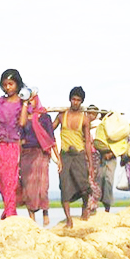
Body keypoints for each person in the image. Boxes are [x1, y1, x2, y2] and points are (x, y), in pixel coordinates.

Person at [52, 86, 93, 228]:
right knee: (64, 186)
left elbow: (87, 142)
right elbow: (50, 129)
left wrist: (91, 164)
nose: (75, 102)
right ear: (70, 99)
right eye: (73, 99)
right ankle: (68, 218)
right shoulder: (61, 116)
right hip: (65, 156)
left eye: (78, 100)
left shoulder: (85, 119)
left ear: (81, 102)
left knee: (84, 185)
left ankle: (85, 206)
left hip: (79, 155)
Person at [18, 91, 60, 225]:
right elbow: (20, 137)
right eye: (27, 101)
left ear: (36, 100)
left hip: (41, 153)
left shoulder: (44, 117)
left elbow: (51, 138)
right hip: (26, 154)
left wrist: (58, 159)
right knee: (28, 185)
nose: (30, 103)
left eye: (32, 100)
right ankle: (31, 217)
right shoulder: (23, 117)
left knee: (43, 185)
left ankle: (45, 213)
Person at [0, 69, 29, 219]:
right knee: (0, 178)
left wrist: (26, 104)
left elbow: (22, 122)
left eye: (11, 84)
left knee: (10, 178)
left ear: (17, 84)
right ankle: (7, 207)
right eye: (5, 85)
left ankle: (10, 211)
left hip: (13, 144)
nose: (8, 87)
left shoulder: (21, 103)